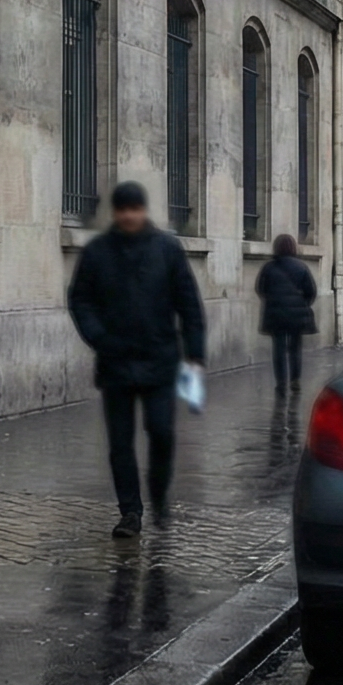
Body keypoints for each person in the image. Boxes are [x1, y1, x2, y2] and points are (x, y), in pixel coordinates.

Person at [66, 180, 207, 538]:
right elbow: (80, 299)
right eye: (123, 210)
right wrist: (99, 337)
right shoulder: (97, 252)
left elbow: (188, 303)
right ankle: (130, 511)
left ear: (143, 211)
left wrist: (195, 353)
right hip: (115, 362)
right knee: (120, 444)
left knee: (161, 432)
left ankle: (158, 495)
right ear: (116, 213)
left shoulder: (167, 249)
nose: (129, 216)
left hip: (160, 360)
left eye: (135, 209)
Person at [254, 234, 319, 396]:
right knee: (295, 348)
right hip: (296, 315)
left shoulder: (269, 267)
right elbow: (311, 291)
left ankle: (281, 382)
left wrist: (273, 300)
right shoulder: (301, 267)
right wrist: (302, 303)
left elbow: (260, 288)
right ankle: (295, 380)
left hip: (276, 314)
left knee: (279, 349)